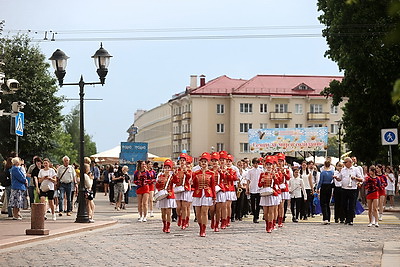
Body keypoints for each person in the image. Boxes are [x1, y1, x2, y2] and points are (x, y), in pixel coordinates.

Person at [192, 152, 216, 237]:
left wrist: (214, 196)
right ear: (200, 163)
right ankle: (200, 227)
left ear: (207, 163)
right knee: (198, 213)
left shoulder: (211, 173)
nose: (203, 163)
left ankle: (203, 229)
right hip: (198, 193)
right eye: (202, 161)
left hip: (207, 193)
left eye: (205, 162)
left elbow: (213, 186)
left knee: (205, 212)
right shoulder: (195, 173)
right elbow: (193, 185)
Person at [336, 157, 363, 225]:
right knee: (344, 204)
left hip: (353, 189)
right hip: (344, 188)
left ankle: (350, 219)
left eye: (345, 162)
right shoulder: (343, 170)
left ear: (350, 162)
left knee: (351, 205)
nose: (344, 164)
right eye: (344, 163)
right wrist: (337, 178)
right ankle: (346, 217)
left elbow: (361, 179)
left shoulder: (356, 169)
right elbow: (340, 178)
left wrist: (355, 178)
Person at [155, 159, 177, 233]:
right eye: (166, 167)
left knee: (168, 212)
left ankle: (168, 226)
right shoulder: (160, 176)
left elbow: (176, 182)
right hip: (162, 195)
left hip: (170, 195)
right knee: (163, 212)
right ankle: (164, 224)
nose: (167, 169)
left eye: (168, 167)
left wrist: (174, 174)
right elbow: (157, 186)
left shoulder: (172, 176)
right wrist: (158, 182)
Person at [172, 153, 192, 229]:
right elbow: (175, 180)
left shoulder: (189, 169)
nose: (182, 162)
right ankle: (179, 217)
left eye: (184, 160)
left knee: (184, 207)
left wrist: (186, 171)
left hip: (185, 189)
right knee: (178, 207)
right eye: (181, 160)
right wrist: (174, 175)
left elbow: (189, 177)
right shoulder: (177, 170)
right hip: (178, 189)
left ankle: (184, 221)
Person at [259, 155, 278, 233]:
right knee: (265, 212)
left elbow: (277, 183)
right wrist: (261, 181)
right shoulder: (262, 174)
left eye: (270, 165)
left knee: (271, 211)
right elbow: (259, 185)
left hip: (271, 193)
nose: (269, 166)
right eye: (267, 165)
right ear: (265, 166)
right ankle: (267, 224)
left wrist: (275, 177)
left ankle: (270, 226)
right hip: (264, 192)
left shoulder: (274, 174)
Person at [209, 152, 226, 232]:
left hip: (219, 190)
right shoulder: (209, 170)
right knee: (212, 209)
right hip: (211, 191)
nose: (214, 162)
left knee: (218, 209)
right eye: (213, 161)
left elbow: (224, 178)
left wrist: (221, 172)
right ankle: (212, 219)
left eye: (216, 161)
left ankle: (217, 224)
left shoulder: (221, 170)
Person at [317, 160, 334, 224]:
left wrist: (318, 188)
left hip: (324, 186)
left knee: (323, 203)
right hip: (329, 186)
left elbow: (320, 181)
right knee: (327, 203)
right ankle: (328, 218)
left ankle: (325, 218)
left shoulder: (323, 172)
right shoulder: (332, 172)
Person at [245, 157, 262, 223]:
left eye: (257, 163)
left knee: (258, 204)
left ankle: (256, 216)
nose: (255, 165)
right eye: (254, 163)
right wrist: (247, 189)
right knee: (252, 203)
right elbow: (248, 181)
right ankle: (254, 215)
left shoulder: (261, 170)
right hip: (252, 188)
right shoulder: (250, 171)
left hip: (259, 189)